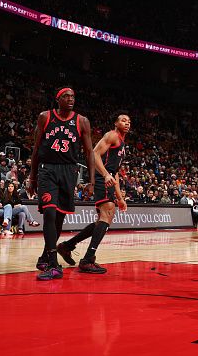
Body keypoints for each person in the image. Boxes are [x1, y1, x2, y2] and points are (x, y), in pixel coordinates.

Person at [28, 87, 95, 280]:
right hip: (47, 169)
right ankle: (53, 264)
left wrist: (90, 181)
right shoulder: (45, 117)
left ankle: (44, 256)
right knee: (49, 212)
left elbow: (89, 152)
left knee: (58, 218)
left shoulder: (82, 121)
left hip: (69, 171)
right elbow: (36, 148)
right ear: (58, 99)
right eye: (66, 96)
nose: (70, 99)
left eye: (73, 96)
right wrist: (32, 177)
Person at [58, 112, 130, 274]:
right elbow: (94, 154)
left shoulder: (123, 144)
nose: (127, 123)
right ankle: (88, 259)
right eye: (123, 120)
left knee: (102, 220)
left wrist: (120, 197)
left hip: (108, 178)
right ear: (116, 123)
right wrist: (105, 175)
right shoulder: (111, 136)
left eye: (129, 121)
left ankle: (67, 246)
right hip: (101, 177)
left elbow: (115, 172)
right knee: (107, 214)